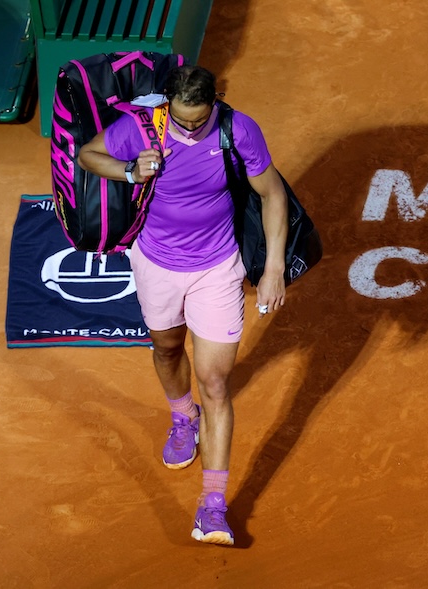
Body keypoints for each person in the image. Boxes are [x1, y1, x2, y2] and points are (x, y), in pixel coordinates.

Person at [77, 65, 288, 546]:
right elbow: (89, 155)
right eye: (181, 119)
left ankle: (213, 507)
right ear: (167, 102)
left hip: (218, 268)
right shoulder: (142, 127)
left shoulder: (239, 129)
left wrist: (274, 267)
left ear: (216, 100)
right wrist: (129, 170)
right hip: (156, 264)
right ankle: (181, 417)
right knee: (168, 349)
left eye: (199, 120)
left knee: (215, 383)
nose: (190, 128)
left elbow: (272, 193)